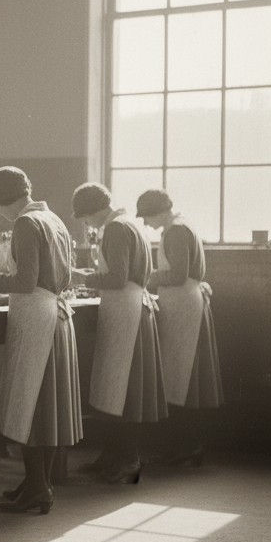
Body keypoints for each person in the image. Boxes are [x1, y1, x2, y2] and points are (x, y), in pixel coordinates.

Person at [0, 167, 83, 513]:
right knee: (42, 405)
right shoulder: (53, 219)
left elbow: (26, 280)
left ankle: (38, 487)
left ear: (4, 200)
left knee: (29, 403)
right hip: (53, 312)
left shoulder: (25, 223)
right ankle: (37, 481)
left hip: (36, 318)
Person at [71, 182, 167, 483]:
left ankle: (126, 458)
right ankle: (114, 454)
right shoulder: (127, 224)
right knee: (113, 387)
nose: (87, 224)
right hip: (127, 306)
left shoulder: (115, 228)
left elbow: (116, 277)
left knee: (119, 388)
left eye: (85, 218)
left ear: (92, 211)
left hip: (125, 308)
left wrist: (80, 276)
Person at [136, 189, 223, 465]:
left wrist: (142, 275)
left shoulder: (176, 231)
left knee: (181, 380)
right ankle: (185, 444)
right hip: (181, 306)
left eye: (146, 217)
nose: (146, 223)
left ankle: (189, 445)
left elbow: (177, 274)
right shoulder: (180, 226)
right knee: (179, 381)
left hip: (184, 309)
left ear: (157, 211)